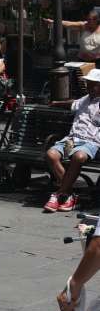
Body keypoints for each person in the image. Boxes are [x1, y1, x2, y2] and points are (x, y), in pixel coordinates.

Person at [44, 69, 100, 213]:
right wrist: (56, 103)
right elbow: (72, 103)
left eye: (92, 84)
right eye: (88, 84)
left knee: (79, 157)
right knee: (51, 154)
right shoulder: (85, 99)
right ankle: (68, 194)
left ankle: (58, 194)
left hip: (91, 141)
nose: (89, 87)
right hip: (72, 139)